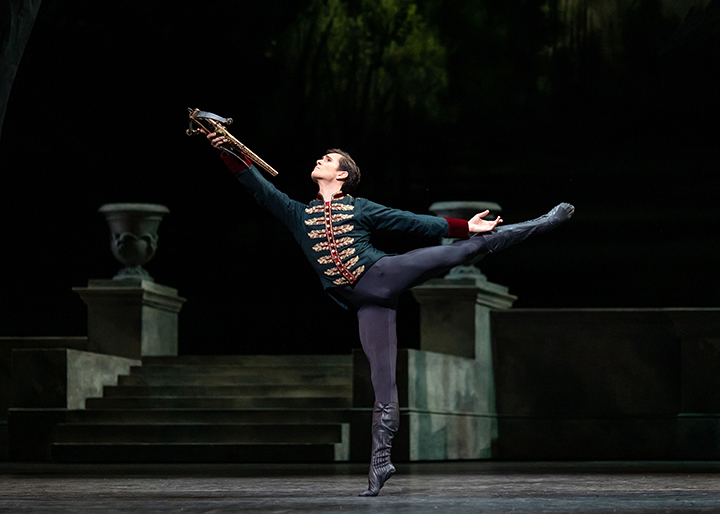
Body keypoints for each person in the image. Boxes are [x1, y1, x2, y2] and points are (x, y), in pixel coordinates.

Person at [203, 131, 574, 496]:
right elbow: (260, 189)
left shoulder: (359, 207)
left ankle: (541, 223)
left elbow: (412, 221)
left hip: (383, 273)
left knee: (461, 251)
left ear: (342, 174)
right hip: (365, 302)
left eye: (328, 159)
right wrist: (228, 151)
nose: (320, 160)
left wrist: (465, 227)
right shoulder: (300, 215)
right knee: (383, 382)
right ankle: (380, 462)